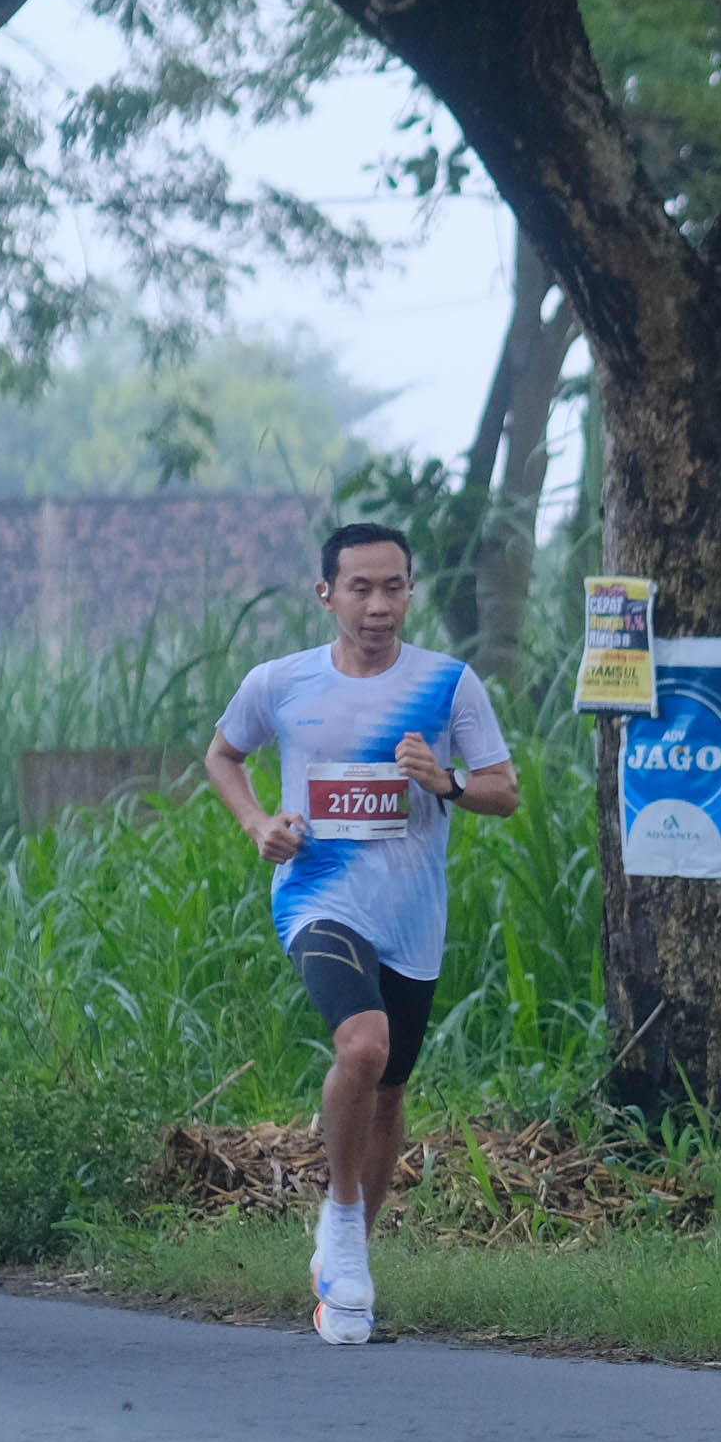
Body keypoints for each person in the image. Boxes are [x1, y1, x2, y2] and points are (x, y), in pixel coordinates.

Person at [202, 523, 520, 1345]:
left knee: (390, 1090)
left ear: (411, 592)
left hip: (411, 914)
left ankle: (350, 1267)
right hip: (317, 896)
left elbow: (504, 791)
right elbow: (223, 756)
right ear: (327, 595)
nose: (379, 606)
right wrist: (259, 825)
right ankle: (341, 1222)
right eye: (361, 588)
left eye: (394, 588)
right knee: (364, 1045)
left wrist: (444, 780)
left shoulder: (447, 685)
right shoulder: (280, 682)